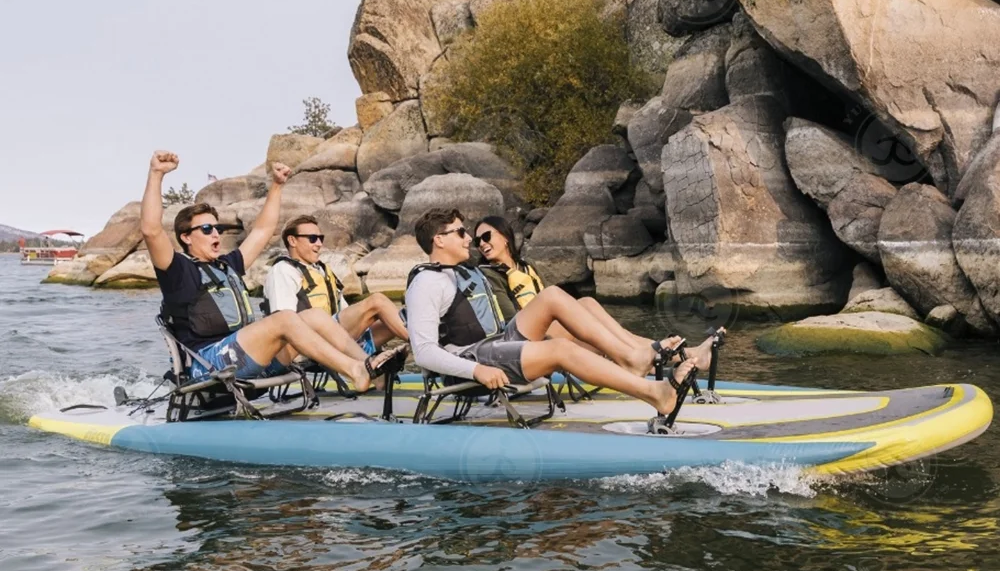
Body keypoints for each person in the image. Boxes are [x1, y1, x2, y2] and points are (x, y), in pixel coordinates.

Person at [140, 151, 399, 391]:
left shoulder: (228, 265)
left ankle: (369, 365)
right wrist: (156, 174)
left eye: (217, 228)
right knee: (285, 317)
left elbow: (263, 231)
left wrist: (276, 186)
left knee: (315, 317)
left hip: (245, 356)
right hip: (209, 366)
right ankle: (354, 371)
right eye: (207, 230)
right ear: (186, 237)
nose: (215, 233)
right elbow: (151, 231)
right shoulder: (177, 271)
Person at [403, 208, 698, 418]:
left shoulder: (458, 273)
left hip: (494, 343)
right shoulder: (427, 283)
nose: (470, 239)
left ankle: (631, 359)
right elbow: (425, 353)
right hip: (471, 361)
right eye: (461, 233)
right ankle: (654, 394)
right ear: (439, 240)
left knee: (553, 296)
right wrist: (476, 370)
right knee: (559, 348)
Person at [473, 214, 719, 368]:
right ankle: (653, 356)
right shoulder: (489, 274)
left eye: (486, 236)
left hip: (548, 328)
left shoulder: (526, 267)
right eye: (477, 241)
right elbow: (507, 318)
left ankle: (677, 355)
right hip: (525, 338)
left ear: (505, 236)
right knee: (597, 326)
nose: (482, 244)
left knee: (590, 304)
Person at [262, 214, 409, 356]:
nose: (319, 244)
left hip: (335, 336)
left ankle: (376, 368)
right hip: (306, 345)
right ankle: (423, 348)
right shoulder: (283, 271)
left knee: (397, 319)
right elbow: (283, 322)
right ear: (292, 241)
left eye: (320, 238)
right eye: (312, 239)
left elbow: (344, 312)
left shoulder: (321, 270)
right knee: (377, 301)